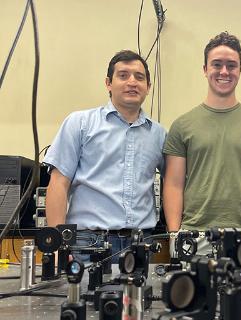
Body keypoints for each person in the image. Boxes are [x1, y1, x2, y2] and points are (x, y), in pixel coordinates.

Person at [44, 50, 166, 260]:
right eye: (123, 75)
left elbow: (174, 184)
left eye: (139, 77)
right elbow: (58, 183)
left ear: (148, 87)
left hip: (140, 245)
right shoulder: (80, 123)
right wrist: (58, 246)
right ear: (108, 83)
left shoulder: (159, 134)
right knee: (80, 294)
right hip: (87, 243)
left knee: (139, 295)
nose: (132, 82)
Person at [163, 32, 241, 256]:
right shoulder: (182, 126)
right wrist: (176, 236)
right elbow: (173, 184)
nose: (224, 71)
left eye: (231, 65)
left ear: (240, 71)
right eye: (217, 64)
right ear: (205, 69)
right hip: (194, 237)